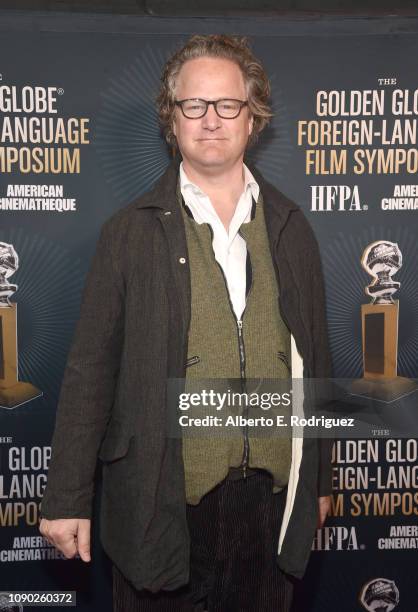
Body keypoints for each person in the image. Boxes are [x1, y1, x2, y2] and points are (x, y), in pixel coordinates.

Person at [39, 34, 333, 612]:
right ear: (171, 120)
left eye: (228, 105)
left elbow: (316, 358)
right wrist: (66, 497)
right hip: (159, 500)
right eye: (193, 106)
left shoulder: (292, 227)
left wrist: (320, 482)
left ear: (254, 118)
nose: (211, 120)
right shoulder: (128, 233)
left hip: (268, 511)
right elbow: (90, 370)